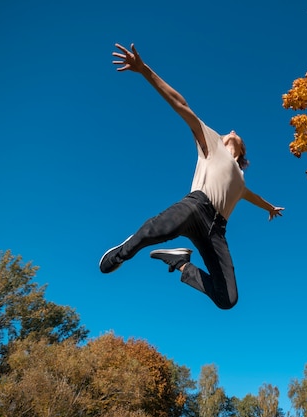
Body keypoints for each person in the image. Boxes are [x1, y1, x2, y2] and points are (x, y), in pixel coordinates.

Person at [99, 43, 284, 310]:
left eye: (235, 133)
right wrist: (144, 70)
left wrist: (269, 208)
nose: (231, 129)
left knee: (228, 299)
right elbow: (180, 103)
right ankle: (121, 254)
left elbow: (251, 196)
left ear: (242, 150)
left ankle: (180, 263)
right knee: (155, 230)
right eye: (227, 131)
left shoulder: (241, 180)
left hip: (216, 232)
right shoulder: (212, 142)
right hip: (196, 206)